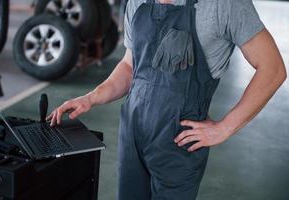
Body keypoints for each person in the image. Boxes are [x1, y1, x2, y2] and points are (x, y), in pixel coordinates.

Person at [47, 0, 287, 199]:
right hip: (132, 135)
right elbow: (130, 67)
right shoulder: (138, 2)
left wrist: (225, 128)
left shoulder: (224, 5)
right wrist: (91, 98)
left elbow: (273, 68)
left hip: (179, 145)